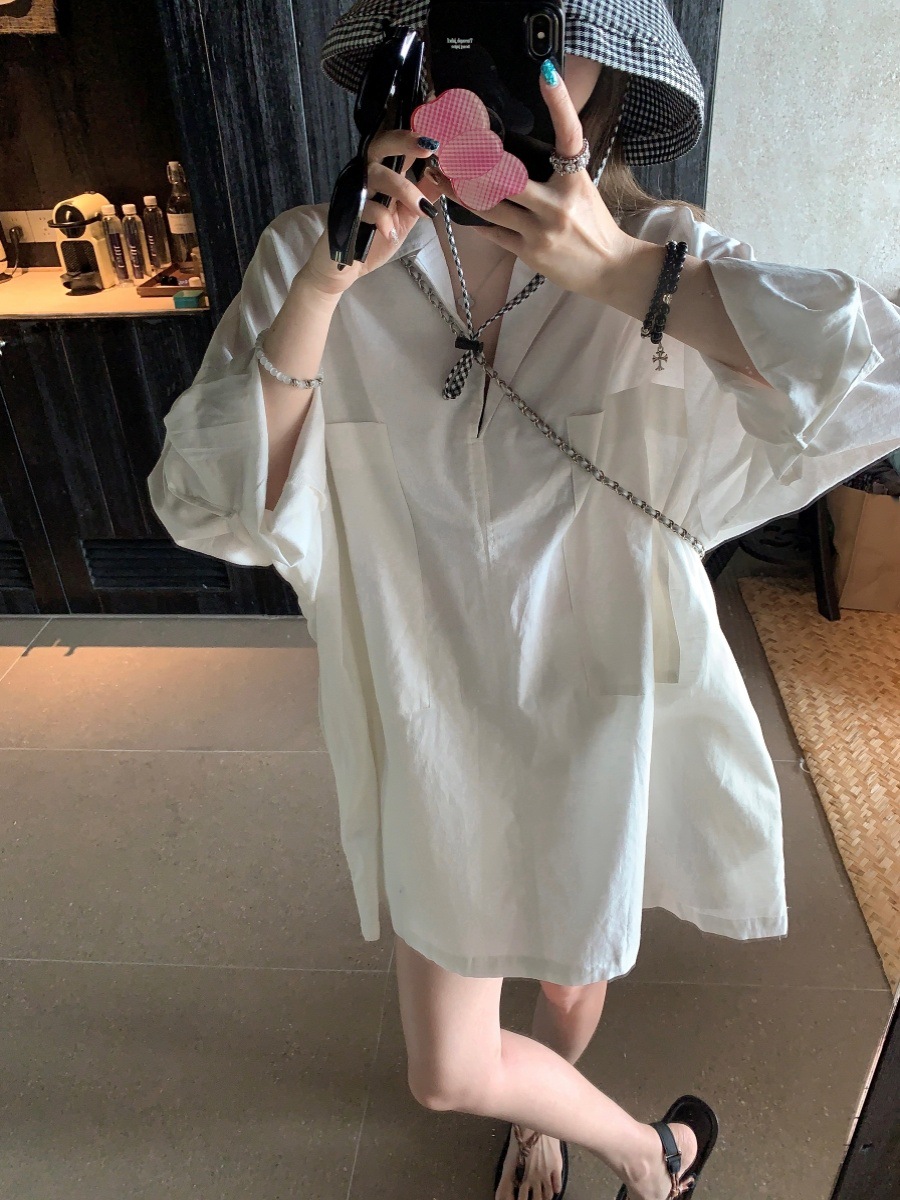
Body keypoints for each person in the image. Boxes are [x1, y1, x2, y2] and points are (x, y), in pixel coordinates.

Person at [147, 3, 900, 1198]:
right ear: (414, 49)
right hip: (428, 718)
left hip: (598, 707)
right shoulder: (314, 253)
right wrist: (329, 289)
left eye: (542, 22)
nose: (501, 52)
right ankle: (649, 1152)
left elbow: (875, 383)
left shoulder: (658, 248)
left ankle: (550, 1116)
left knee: (569, 972)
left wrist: (624, 276)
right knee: (448, 1071)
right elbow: (208, 506)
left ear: (602, 69)